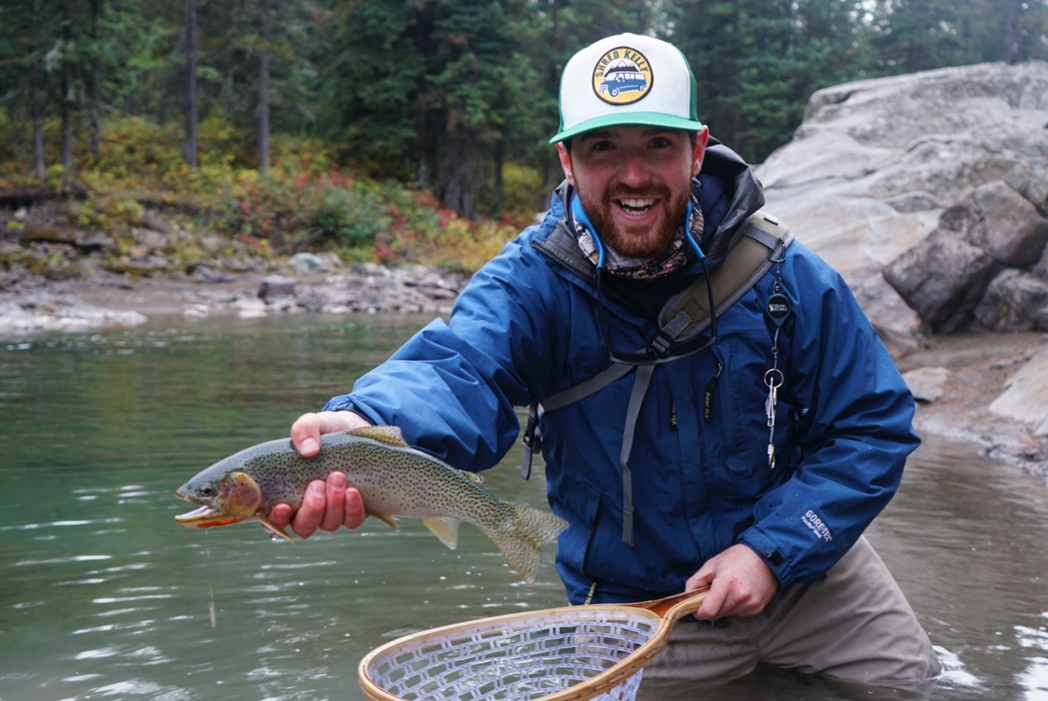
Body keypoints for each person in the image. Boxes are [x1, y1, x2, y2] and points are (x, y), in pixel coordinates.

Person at [269, 33, 941, 687]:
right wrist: (365, 422)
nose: (633, 174)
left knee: (909, 681)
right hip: (636, 603)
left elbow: (872, 422)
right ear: (567, 161)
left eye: (658, 144)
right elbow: (458, 368)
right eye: (603, 149)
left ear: (697, 149)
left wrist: (774, 549)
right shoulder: (528, 284)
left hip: (806, 570)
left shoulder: (784, 275)